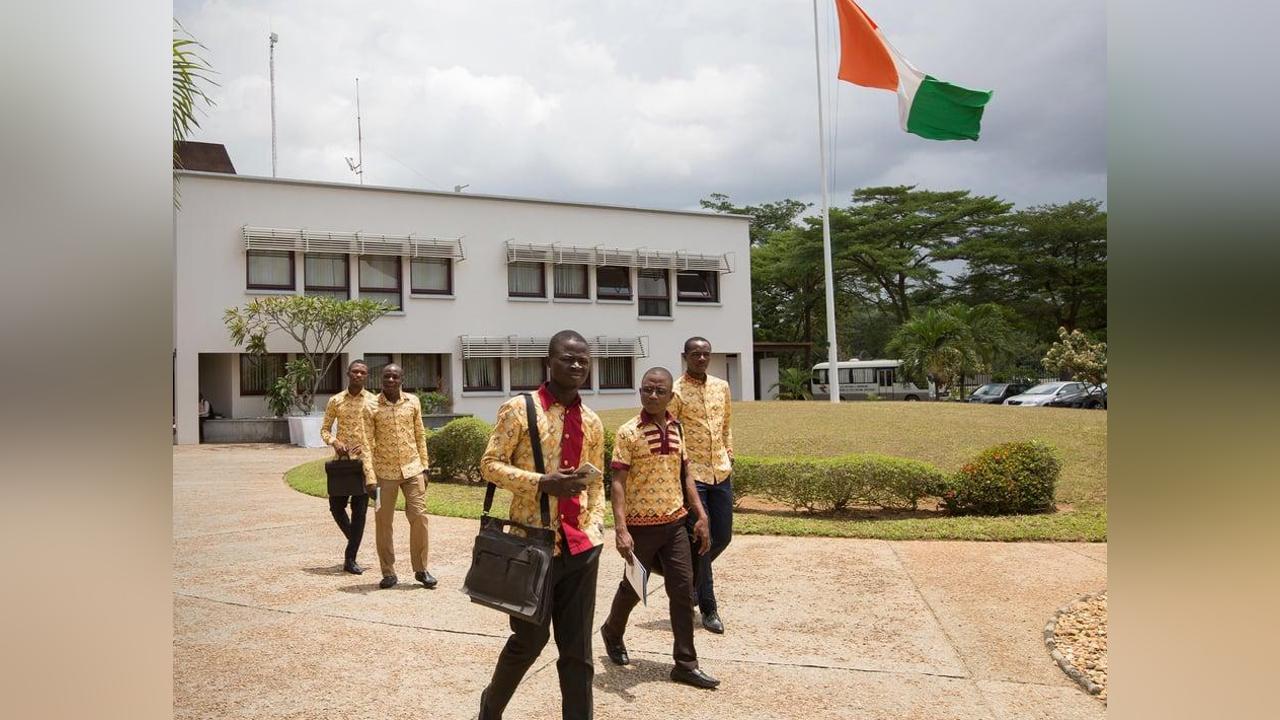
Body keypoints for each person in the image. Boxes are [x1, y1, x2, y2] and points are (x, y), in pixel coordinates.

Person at [477, 330, 606, 720]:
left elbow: (596, 482)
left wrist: (597, 526)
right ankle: (490, 710)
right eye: (569, 358)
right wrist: (541, 483)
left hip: (581, 548)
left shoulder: (592, 420)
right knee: (528, 641)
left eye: (584, 360)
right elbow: (490, 464)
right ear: (549, 362)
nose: (578, 365)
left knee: (578, 653)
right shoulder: (520, 409)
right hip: (531, 547)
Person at [601, 367, 718, 689]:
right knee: (633, 589)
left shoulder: (678, 429)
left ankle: (685, 663)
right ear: (640, 392)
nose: (652, 395)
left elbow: (687, 476)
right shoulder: (628, 432)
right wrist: (621, 528)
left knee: (683, 591)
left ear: (670, 396)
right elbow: (618, 482)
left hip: (675, 525)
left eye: (659, 391)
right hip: (640, 529)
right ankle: (612, 630)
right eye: (647, 390)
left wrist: (701, 515)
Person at [670, 336, 735, 634]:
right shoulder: (675, 391)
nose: (701, 358)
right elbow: (671, 432)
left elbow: (726, 425)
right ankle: (708, 608)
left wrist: (729, 453)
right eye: (695, 354)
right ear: (685, 356)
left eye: (706, 354)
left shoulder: (721, 387)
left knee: (723, 536)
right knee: (703, 540)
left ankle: (693, 583)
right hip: (693, 475)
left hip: (720, 471)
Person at [361, 363, 436, 589]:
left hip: (413, 469)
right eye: (387, 376)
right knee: (383, 522)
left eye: (395, 376)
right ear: (380, 379)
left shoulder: (413, 401)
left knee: (419, 517)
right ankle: (388, 572)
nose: (390, 380)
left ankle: (421, 569)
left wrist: (425, 466)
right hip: (384, 473)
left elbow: (420, 433)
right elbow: (366, 444)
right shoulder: (370, 406)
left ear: (402, 379)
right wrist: (370, 477)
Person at [320, 359, 377, 575]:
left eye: (363, 372)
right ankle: (354, 538)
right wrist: (335, 442)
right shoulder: (335, 400)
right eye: (355, 372)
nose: (359, 375)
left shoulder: (373, 401)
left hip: (365, 464)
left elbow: (380, 430)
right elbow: (325, 429)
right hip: (342, 464)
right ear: (348, 373)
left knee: (360, 511)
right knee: (336, 507)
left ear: (367, 375)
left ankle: (350, 558)